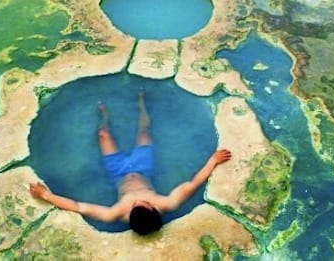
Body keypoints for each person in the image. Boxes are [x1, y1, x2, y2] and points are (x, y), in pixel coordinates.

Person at [29, 90, 232, 235]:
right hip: (143, 166)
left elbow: (78, 206)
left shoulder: (115, 213)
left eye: (133, 205)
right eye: (140, 203)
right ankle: (142, 105)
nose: (135, 201)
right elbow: (194, 183)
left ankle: (105, 117)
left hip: (117, 171)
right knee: (144, 133)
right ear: (153, 209)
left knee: (103, 134)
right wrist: (212, 161)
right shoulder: (167, 203)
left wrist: (46, 194)